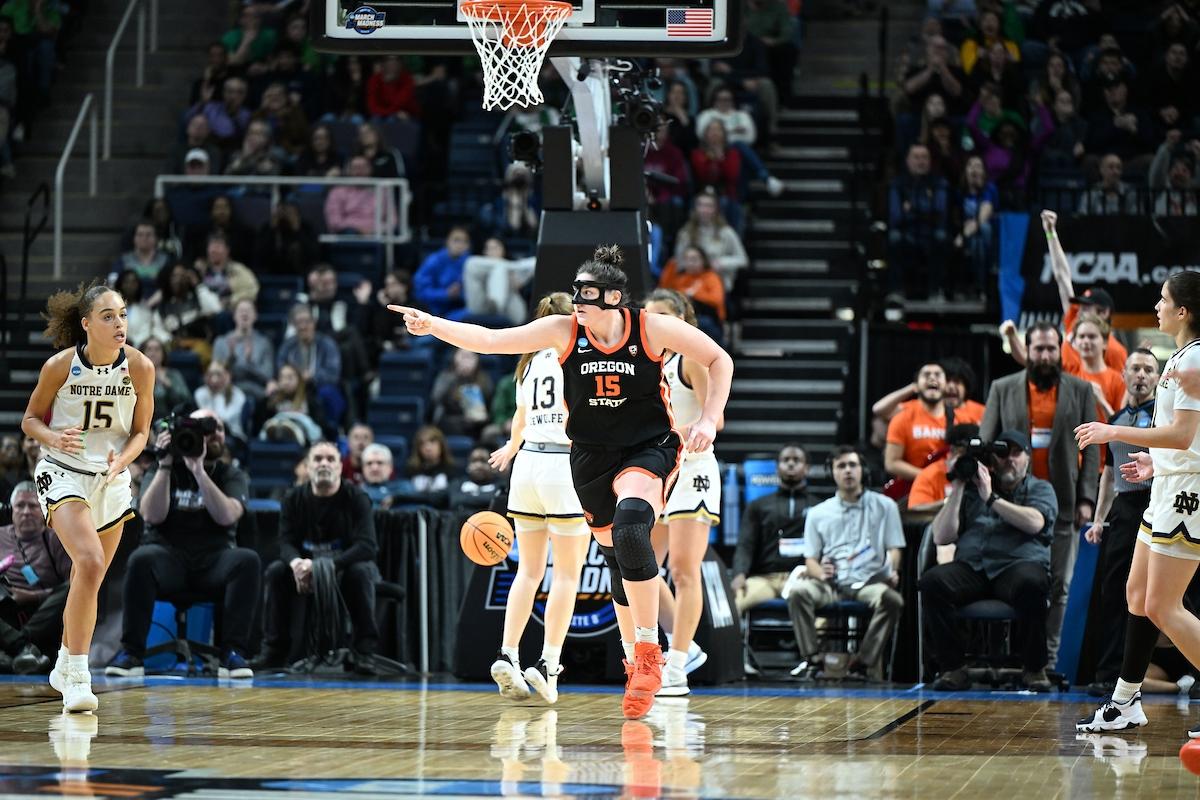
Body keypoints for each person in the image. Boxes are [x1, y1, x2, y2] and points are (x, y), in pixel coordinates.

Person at [388, 245, 733, 720]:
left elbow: (720, 360)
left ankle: (651, 651)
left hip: (648, 447)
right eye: (575, 292)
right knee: (617, 558)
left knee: (634, 526)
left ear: (613, 298)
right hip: (589, 455)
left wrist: (710, 419)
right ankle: (635, 661)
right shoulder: (563, 331)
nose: (577, 300)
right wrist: (434, 326)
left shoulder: (650, 327)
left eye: (587, 293)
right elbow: (490, 340)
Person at [1075, 272, 1200, 736]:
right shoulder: (1183, 356)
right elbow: (1185, 439)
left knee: (1166, 607)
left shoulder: (1196, 358)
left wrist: (1113, 432)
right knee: (1138, 598)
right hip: (1169, 485)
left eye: (1163, 299)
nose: (1157, 305)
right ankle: (1125, 702)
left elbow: (1185, 435)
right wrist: (1157, 462)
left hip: (1188, 495)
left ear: (1183, 311)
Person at [21, 282, 154, 711]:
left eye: (123, 314)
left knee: (89, 578)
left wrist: (123, 462)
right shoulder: (60, 367)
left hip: (110, 476)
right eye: (108, 316)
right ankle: (78, 674)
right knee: (90, 561)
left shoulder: (140, 367)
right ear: (86, 324)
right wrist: (54, 438)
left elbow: (140, 433)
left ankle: (63, 662)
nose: (120, 324)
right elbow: (28, 421)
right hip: (63, 472)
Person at [485, 292, 589, 705]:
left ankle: (508, 653)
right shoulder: (575, 356)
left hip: (527, 465)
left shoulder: (528, 363)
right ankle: (548, 664)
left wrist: (512, 446)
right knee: (565, 574)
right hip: (563, 466)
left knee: (528, 572)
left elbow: (520, 417)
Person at [104, 410, 258, 680]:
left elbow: (228, 516)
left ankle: (232, 653)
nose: (213, 434)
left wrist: (198, 471)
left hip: (214, 561)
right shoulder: (162, 467)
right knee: (141, 558)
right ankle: (131, 654)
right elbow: (151, 515)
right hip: (168, 560)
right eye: (204, 428)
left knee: (247, 560)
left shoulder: (230, 473)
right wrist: (164, 466)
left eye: (218, 428)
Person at [981, 322, 1098, 665]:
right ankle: (1014, 658)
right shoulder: (1003, 388)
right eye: (1038, 349)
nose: (1045, 355)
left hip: (1063, 503)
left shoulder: (1081, 390)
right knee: (1018, 585)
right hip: (1013, 505)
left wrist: (1087, 498)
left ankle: (1046, 661)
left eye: (1051, 349)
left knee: (1060, 587)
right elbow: (986, 443)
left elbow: (1091, 451)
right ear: (1026, 351)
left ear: (1060, 350)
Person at [922, 430, 1058, 691]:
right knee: (932, 582)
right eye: (1002, 453)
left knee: (1033, 583)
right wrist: (960, 486)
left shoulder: (1040, 488)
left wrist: (991, 498)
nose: (1009, 460)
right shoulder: (973, 490)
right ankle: (953, 669)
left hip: (1016, 566)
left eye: (1016, 453)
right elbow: (941, 536)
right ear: (992, 460)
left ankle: (1034, 669)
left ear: (1028, 458)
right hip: (974, 567)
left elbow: (1034, 522)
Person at [643, 290, 722, 697]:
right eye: (649, 314)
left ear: (682, 320)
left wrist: (693, 430)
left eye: (663, 315)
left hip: (693, 470)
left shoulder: (691, 358)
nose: (653, 321)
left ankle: (676, 667)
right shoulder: (645, 363)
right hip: (658, 470)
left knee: (685, 570)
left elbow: (716, 417)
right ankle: (686, 647)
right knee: (637, 567)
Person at [257, 441, 381, 674]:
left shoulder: (357, 497)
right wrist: (296, 565)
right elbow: (285, 543)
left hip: (345, 569)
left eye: (330, 459)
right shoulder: (293, 498)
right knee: (275, 571)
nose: (324, 463)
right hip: (303, 572)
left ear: (340, 467)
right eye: (317, 459)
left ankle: (365, 652)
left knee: (361, 572)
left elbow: (367, 546)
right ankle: (274, 650)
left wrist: (325, 566)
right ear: (307, 466)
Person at [1080, 348, 1158, 696]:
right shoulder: (1114, 420)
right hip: (1125, 510)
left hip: (1160, 502)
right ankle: (1109, 673)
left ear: (1157, 378)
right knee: (1115, 591)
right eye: (1135, 369)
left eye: (1148, 370)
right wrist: (1099, 520)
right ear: (1123, 375)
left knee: (1172, 594)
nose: (1141, 375)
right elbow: (1108, 475)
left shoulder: (1168, 417)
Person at [792, 446, 904, 681]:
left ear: (862, 469)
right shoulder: (818, 512)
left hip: (868, 581)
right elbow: (810, 559)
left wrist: (890, 571)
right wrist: (821, 573)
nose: (848, 471)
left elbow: (895, 549)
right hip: (831, 584)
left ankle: (862, 663)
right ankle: (814, 660)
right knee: (798, 592)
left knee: (892, 600)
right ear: (832, 472)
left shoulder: (886, 506)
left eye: (853, 465)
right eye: (841, 466)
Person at [1001, 212, 1128, 373]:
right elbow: (1062, 277)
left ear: (1104, 313)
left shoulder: (1115, 351)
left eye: (1087, 307)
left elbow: (1119, 394)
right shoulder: (1075, 323)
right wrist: (1050, 232)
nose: (1080, 310)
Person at [730, 444, 812, 614]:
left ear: (807, 468)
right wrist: (739, 574)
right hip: (765, 579)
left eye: (796, 460)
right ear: (776, 468)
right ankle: (733, 641)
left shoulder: (818, 507)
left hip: (803, 578)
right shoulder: (758, 506)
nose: (790, 464)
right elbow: (745, 544)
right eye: (785, 460)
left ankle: (817, 642)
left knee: (820, 608)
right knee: (733, 603)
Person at [0, 481, 72, 674]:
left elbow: (73, 583)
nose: (25, 512)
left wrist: (34, 596)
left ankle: (17, 648)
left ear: (44, 510)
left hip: (43, 614)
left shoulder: (57, 538)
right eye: (20, 506)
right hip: (6, 610)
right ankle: (22, 651)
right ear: (10, 510)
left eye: (32, 506)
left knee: (74, 588)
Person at [884, 362, 950, 486]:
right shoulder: (903, 416)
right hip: (913, 489)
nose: (932, 378)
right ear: (917, 385)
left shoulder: (958, 419)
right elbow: (891, 463)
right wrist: (927, 477)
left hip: (948, 489)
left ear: (946, 384)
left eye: (937, 374)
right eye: (926, 375)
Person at [908, 423, 981, 514]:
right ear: (953, 449)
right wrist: (948, 502)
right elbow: (916, 509)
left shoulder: (984, 474)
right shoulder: (931, 474)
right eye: (965, 452)